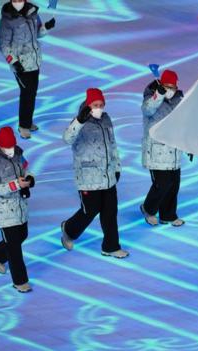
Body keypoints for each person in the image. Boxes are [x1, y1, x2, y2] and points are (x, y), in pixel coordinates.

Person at [61, 88, 129, 259]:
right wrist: (79, 121)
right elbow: (67, 138)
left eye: (101, 105)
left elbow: (112, 145)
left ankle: (111, 247)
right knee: (89, 211)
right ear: (88, 105)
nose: (98, 108)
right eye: (95, 105)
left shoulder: (106, 119)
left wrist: (117, 167)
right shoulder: (80, 121)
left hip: (108, 176)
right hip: (88, 178)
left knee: (110, 212)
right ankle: (69, 230)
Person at [0, 127, 34, 293]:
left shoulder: (18, 153)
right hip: (4, 211)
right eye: (7, 147)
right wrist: (15, 185)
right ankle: (20, 281)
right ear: (0, 145)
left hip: (19, 206)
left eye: (12, 146)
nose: (10, 150)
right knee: (14, 247)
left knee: (22, 235)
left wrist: (29, 178)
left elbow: (26, 168)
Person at [0, 0, 56, 139]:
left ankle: (28, 122)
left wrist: (46, 27)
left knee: (32, 93)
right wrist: (14, 61)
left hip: (34, 61)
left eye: (20, 0)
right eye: (15, 0)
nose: (18, 2)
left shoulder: (32, 13)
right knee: (27, 93)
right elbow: (3, 44)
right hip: (20, 65)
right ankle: (23, 125)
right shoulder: (7, 19)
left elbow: (37, 33)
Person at [140, 70, 187, 227]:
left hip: (174, 151)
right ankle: (148, 208)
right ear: (161, 85)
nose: (170, 89)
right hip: (156, 152)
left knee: (173, 184)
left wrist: (189, 143)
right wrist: (158, 95)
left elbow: (184, 123)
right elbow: (147, 109)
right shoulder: (150, 97)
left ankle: (168, 215)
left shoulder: (179, 100)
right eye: (167, 86)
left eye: (173, 86)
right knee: (162, 184)